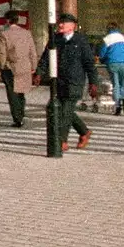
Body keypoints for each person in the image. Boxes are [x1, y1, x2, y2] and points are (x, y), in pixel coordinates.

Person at [41, 12, 96, 150]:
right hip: (58, 82)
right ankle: (84, 131)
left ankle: (62, 141)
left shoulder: (81, 41)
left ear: (73, 26)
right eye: (60, 22)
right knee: (57, 110)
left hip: (75, 82)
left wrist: (93, 83)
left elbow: (89, 63)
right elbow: (45, 58)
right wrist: (38, 73)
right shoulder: (55, 39)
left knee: (66, 111)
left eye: (64, 23)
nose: (60, 24)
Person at [0, 16, 38, 129]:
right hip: (24, 66)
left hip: (10, 67)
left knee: (12, 93)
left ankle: (17, 118)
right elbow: (33, 51)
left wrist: (2, 66)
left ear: (7, 21)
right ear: (17, 21)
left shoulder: (4, 34)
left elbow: (2, 53)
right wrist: (34, 66)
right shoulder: (27, 33)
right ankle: (21, 114)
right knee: (21, 91)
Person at [99, 22, 124, 116]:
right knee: (123, 83)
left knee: (115, 84)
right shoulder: (123, 38)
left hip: (112, 63)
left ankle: (117, 105)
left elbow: (102, 53)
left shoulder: (107, 39)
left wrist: (102, 59)